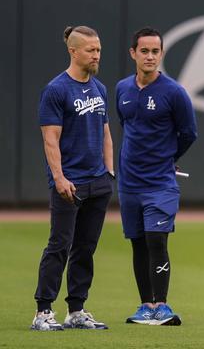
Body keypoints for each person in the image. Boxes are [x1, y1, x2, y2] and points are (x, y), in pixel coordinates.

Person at [33, 25, 114, 331]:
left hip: (97, 182)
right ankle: (43, 312)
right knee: (59, 246)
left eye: (99, 50)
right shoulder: (56, 89)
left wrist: (109, 172)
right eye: (91, 50)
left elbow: (106, 132)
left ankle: (76, 310)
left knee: (85, 249)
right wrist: (59, 178)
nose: (97, 55)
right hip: (70, 183)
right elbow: (50, 140)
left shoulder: (99, 88)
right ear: (73, 51)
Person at [116, 27, 197, 326]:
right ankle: (144, 306)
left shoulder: (174, 93)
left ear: (161, 54)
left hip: (160, 183)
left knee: (156, 239)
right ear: (133, 53)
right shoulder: (122, 89)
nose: (150, 56)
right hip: (129, 182)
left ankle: (161, 306)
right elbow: (127, 125)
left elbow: (189, 133)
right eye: (144, 51)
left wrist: (168, 158)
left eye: (155, 51)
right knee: (137, 241)